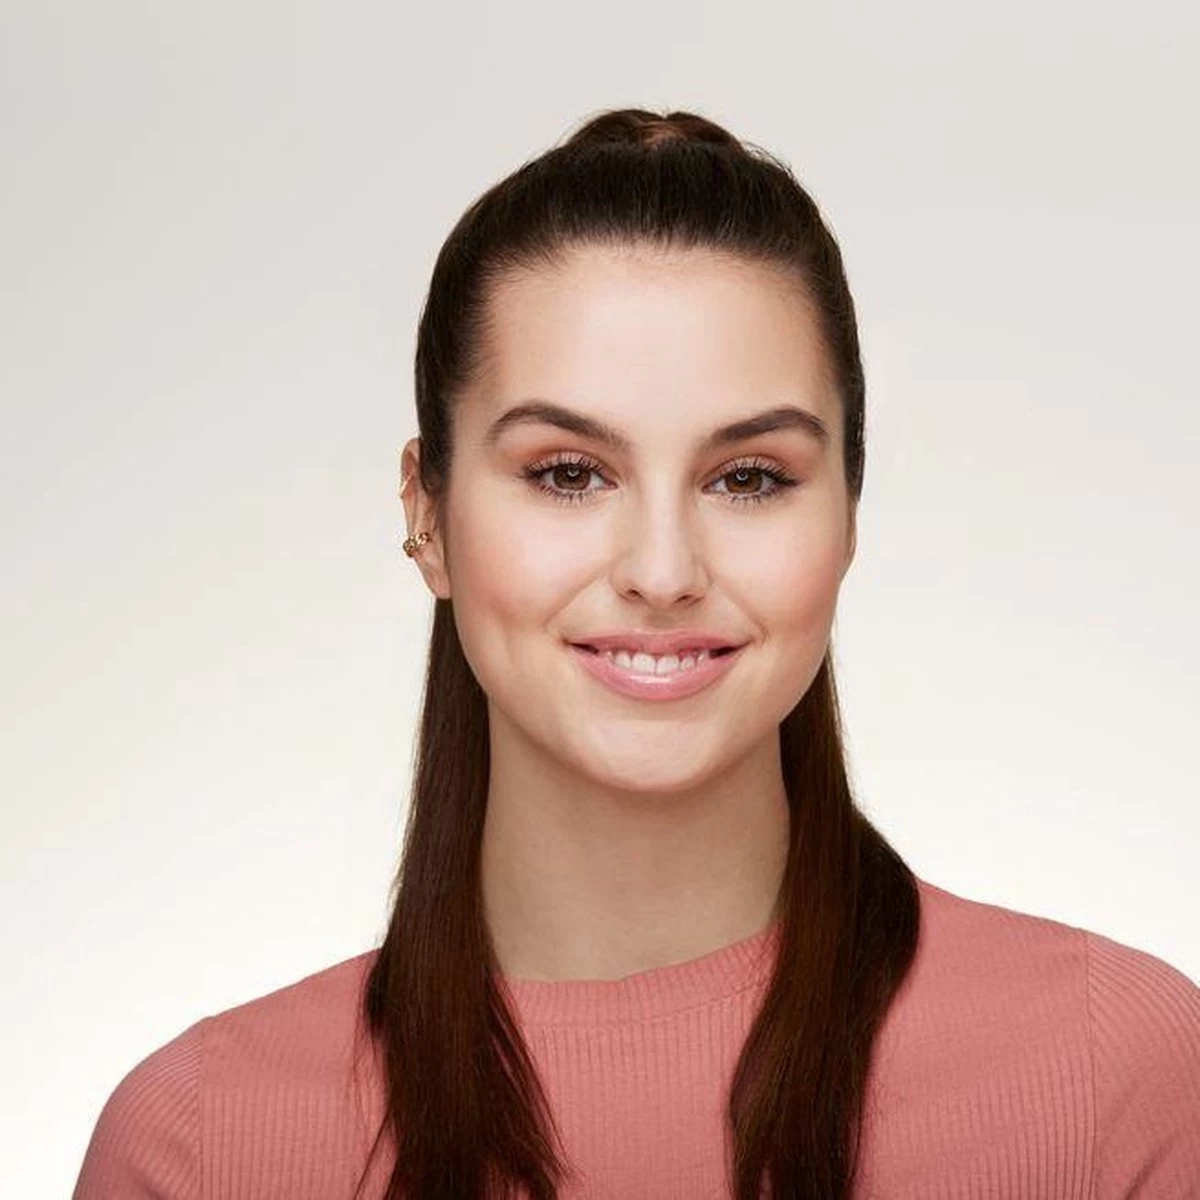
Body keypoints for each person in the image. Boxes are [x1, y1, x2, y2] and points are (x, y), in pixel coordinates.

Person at [72, 107, 1199, 1200]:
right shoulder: (199, 1150)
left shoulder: (1120, 1080)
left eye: (748, 478)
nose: (663, 571)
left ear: (849, 517)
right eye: (568, 473)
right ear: (428, 515)